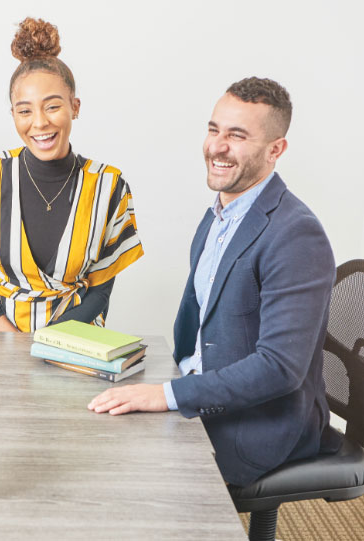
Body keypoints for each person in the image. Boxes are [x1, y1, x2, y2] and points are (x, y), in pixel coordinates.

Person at [88, 77, 342, 487]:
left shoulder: (296, 235)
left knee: (120, 477)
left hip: (262, 425)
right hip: (203, 391)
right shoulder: (221, 214)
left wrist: (168, 397)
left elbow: (279, 368)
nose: (217, 146)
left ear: (275, 149)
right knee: (86, 433)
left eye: (237, 136)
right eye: (214, 129)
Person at [0, 17, 143, 332]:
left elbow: (101, 288)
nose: (39, 122)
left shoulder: (109, 186)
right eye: (25, 110)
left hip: (71, 329)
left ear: (75, 106)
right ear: (13, 115)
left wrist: (50, 340)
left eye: (52, 106)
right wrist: (9, 336)